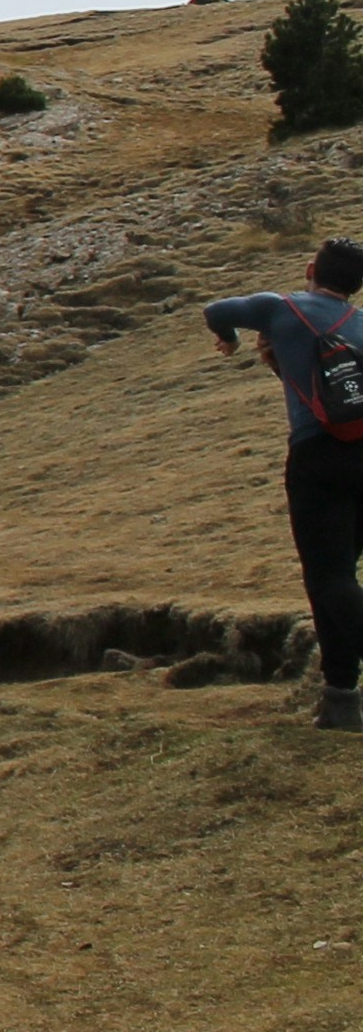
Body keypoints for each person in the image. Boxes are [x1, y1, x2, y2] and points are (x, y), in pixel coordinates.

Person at [207, 237, 363, 730]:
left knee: (328, 577)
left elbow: (217, 310)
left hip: (318, 455)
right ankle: (340, 700)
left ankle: (342, 694)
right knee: (340, 577)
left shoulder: (283, 309)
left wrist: (230, 339)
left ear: (310, 268)